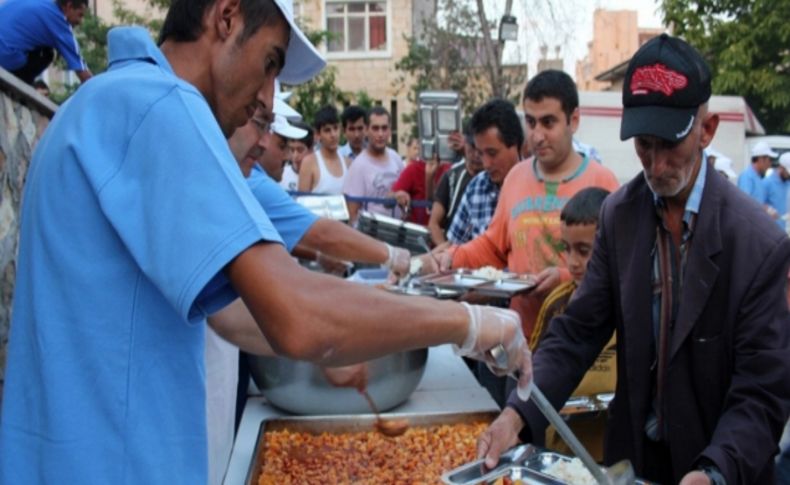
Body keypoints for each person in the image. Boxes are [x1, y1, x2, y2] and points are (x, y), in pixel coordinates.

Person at [0, 0, 532, 483]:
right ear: (225, 17)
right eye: (271, 63)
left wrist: (360, 331)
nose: (267, 95)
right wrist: (470, 323)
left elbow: (235, 316)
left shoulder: (102, 104)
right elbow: (298, 316)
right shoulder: (157, 105)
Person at [478, 34, 790, 485]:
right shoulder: (620, 215)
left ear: (706, 129)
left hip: (721, 464)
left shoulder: (758, 244)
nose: (657, 164)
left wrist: (714, 471)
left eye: (670, 144)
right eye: (644, 144)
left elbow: (762, 393)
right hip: (635, 461)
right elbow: (579, 332)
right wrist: (517, 412)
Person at [207, 110, 411, 485]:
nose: (280, 151)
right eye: (269, 134)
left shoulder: (242, 177)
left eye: (282, 141)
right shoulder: (235, 180)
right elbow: (318, 234)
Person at [528, 187, 614, 461]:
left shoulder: (628, 309)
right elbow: (533, 371)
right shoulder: (556, 303)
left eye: (584, 251)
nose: (573, 262)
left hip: (611, 453)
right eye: (567, 249)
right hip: (561, 453)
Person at [444, 99, 522, 245]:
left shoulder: (535, 186)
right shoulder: (476, 187)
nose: (486, 164)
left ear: (514, 145)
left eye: (492, 153)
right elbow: (453, 245)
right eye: (480, 153)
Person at [0, 0, 92, 84]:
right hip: (6, 59)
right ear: (69, 5)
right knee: (48, 53)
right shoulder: (59, 22)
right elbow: (83, 73)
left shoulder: (40, 4)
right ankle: (21, 86)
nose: (80, 21)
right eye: (80, 15)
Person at [343, 105, 405, 222]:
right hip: (369, 236)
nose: (380, 134)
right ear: (366, 130)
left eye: (384, 128)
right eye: (375, 128)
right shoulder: (358, 166)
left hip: (396, 235)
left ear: (390, 130)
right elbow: (352, 214)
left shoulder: (396, 158)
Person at [428, 130, 484, 245]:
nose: (476, 155)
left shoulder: (495, 178)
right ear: (465, 145)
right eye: (472, 148)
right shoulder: (451, 177)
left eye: (480, 150)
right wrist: (446, 252)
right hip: (453, 252)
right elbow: (434, 224)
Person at [298, 104, 348, 194]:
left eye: (336, 128)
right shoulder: (309, 163)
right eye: (327, 130)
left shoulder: (348, 163)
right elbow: (302, 201)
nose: (333, 135)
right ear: (317, 134)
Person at [391, 151, 450, 226]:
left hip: (443, 230)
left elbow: (436, 202)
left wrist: (429, 177)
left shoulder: (451, 170)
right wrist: (399, 194)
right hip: (417, 231)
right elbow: (390, 196)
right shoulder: (413, 168)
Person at [737, 141, 776, 205]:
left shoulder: (758, 178)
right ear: (761, 159)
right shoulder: (747, 177)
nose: (770, 164)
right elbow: (744, 203)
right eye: (769, 160)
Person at [280, 119, 312, 191]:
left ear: (310, 150)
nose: (295, 156)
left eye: (300, 150)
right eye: (292, 150)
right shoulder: (281, 175)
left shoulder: (319, 176)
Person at [764, 152, 790, 229]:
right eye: (788, 172)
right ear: (781, 168)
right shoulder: (767, 183)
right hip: (771, 231)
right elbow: (758, 203)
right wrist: (767, 210)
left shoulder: (788, 183)